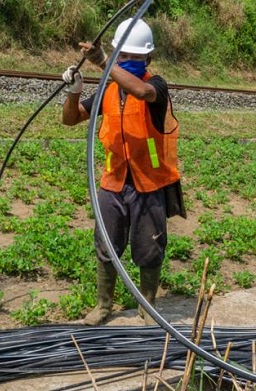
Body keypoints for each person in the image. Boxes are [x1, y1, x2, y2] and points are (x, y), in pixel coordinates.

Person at [60, 18, 185, 326]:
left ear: (148, 59)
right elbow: (71, 119)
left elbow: (141, 92)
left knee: (149, 247)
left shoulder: (156, 86)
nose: (128, 61)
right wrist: (74, 91)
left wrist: (104, 61)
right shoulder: (108, 90)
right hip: (113, 181)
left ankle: (147, 305)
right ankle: (104, 305)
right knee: (106, 244)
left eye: (135, 57)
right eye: (123, 56)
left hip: (149, 183)